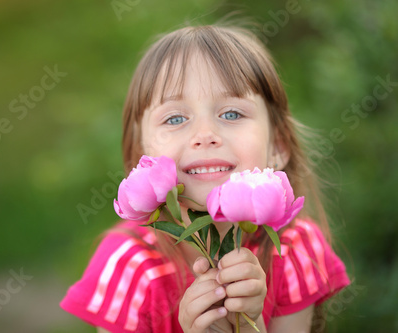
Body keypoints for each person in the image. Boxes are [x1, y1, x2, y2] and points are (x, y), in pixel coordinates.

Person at [60, 24, 351, 333]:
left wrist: (249, 325)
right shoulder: (129, 266)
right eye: (175, 118)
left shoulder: (293, 249)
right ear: (140, 157)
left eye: (232, 114)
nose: (205, 135)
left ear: (278, 145)